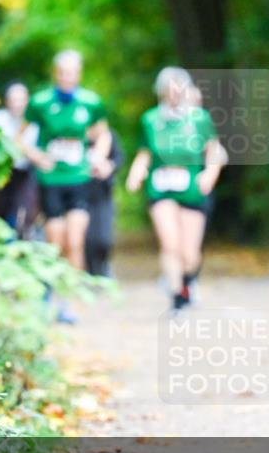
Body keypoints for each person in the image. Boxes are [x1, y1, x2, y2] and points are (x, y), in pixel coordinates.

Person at [126, 68, 225, 312]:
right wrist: (136, 173)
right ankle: (176, 296)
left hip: (191, 188)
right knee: (170, 245)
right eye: (169, 89)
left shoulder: (199, 119)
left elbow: (214, 151)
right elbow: (144, 153)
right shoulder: (150, 120)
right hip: (161, 189)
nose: (175, 93)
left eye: (179, 88)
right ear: (161, 91)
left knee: (190, 254)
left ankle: (188, 282)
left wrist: (209, 174)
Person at [25, 50, 111, 322]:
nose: (67, 78)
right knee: (56, 242)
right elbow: (20, 137)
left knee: (75, 241)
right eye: (62, 73)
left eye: (72, 73)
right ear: (56, 74)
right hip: (51, 181)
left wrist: (97, 156)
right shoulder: (40, 103)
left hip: (79, 179)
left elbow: (103, 135)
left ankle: (69, 303)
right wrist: (37, 157)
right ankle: (51, 292)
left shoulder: (90, 103)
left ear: (79, 74)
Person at [0, 82, 39, 239]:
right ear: (7, 101)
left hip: (24, 174)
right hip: (0, 174)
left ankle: (20, 241)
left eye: (20, 100)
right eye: (13, 100)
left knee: (22, 215)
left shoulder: (35, 124)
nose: (17, 104)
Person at [85, 128, 124, 278]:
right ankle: (90, 273)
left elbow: (119, 158)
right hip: (81, 194)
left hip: (103, 194)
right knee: (87, 238)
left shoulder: (108, 134)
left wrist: (110, 166)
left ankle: (103, 267)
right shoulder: (74, 133)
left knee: (103, 239)